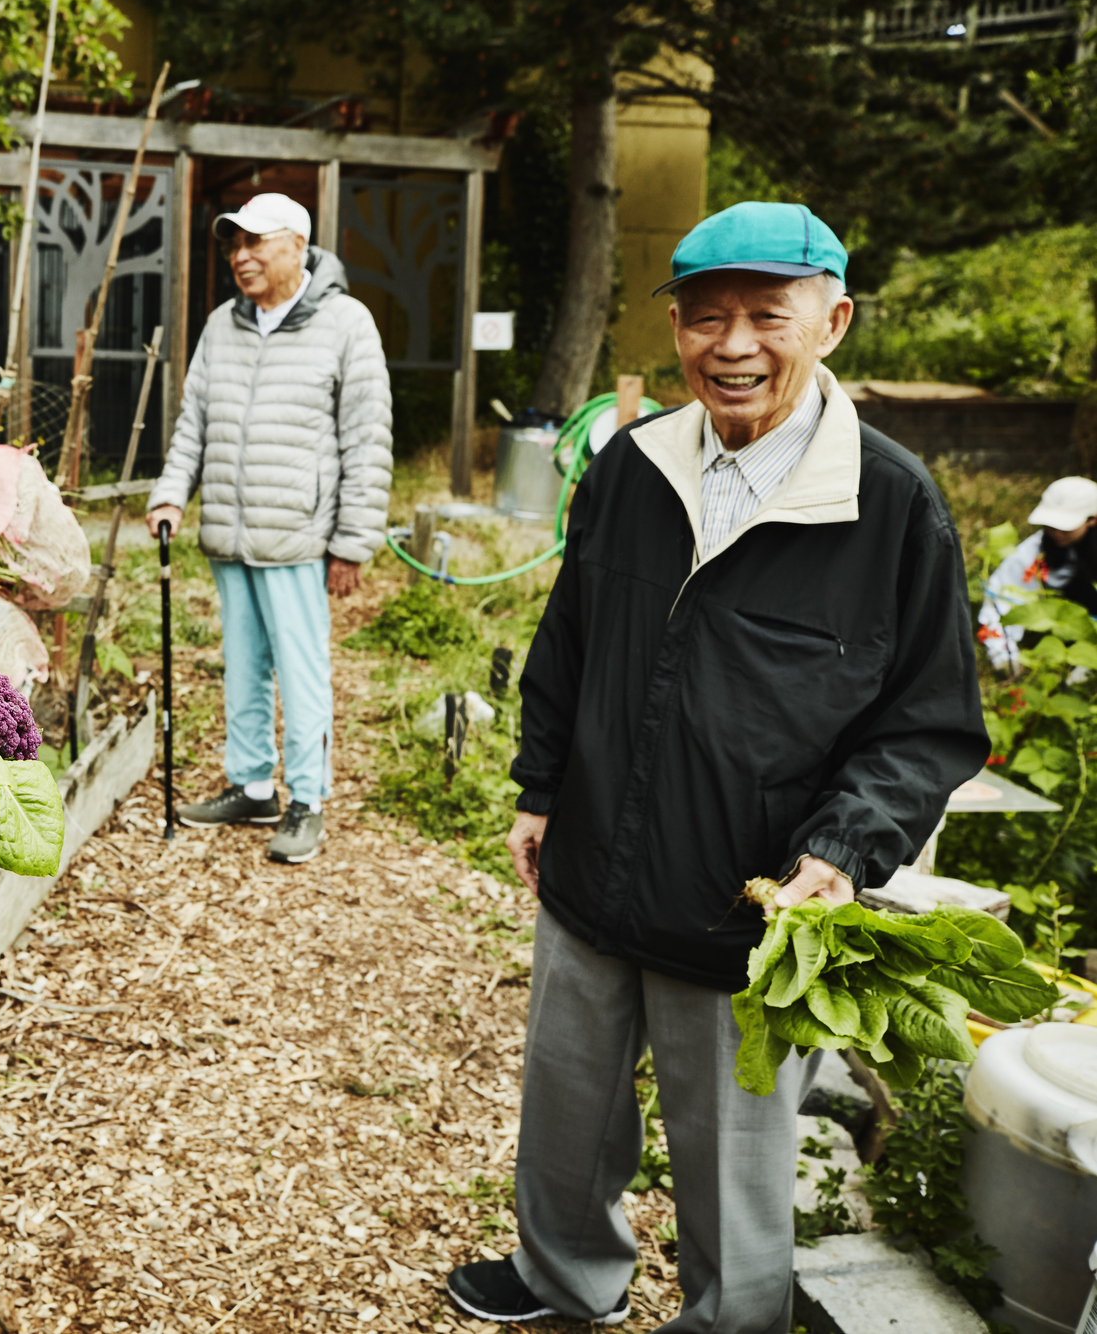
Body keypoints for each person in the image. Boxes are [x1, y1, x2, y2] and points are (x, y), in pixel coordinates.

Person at [448, 202, 987, 1331]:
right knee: (567, 1109)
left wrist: (841, 850)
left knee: (735, 1160)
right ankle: (562, 1277)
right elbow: (571, 641)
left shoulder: (889, 505)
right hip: (594, 862)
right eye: (704, 319)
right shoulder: (635, 465)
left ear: (832, 321)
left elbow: (928, 726)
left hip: (748, 906)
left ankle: (728, 1321)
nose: (731, 345)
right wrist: (540, 786)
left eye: (763, 316)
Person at [145, 191, 392, 864]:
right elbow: (194, 421)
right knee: (243, 665)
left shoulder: (345, 323)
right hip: (230, 529)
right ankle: (252, 786)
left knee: (301, 671)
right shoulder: (222, 324)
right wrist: (171, 494)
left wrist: (351, 542)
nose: (240, 257)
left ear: (296, 245)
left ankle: (306, 799)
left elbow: (366, 440)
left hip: (297, 534)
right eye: (233, 245)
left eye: (254, 242)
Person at [976, 475, 1097, 670]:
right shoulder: (1033, 553)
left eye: (1065, 527)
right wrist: (1004, 657)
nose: (1056, 533)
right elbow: (999, 600)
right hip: (1067, 624)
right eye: (1051, 525)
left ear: (1092, 520)